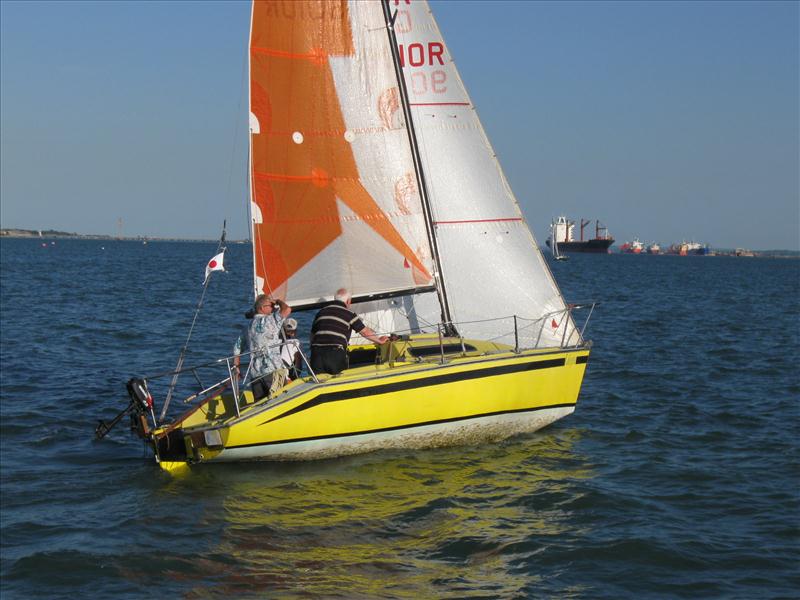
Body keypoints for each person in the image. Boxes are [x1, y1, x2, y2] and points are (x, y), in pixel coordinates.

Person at [310, 288, 388, 375]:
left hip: (316, 354)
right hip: (334, 354)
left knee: (318, 383)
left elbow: (312, 335)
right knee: (338, 382)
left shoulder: (321, 312)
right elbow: (365, 332)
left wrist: (313, 350)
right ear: (348, 301)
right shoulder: (349, 314)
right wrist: (379, 341)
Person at [233, 294, 292, 400]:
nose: (274, 308)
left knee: (260, 405)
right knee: (280, 401)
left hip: (255, 375)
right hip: (273, 370)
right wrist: (278, 301)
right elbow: (287, 309)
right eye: (271, 306)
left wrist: (236, 368)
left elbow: (237, 348)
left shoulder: (248, 327)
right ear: (262, 308)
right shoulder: (271, 320)